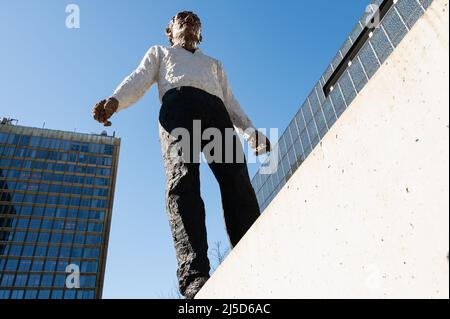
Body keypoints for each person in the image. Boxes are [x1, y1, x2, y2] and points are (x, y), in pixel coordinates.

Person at [92, 11, 271, 299]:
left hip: (215, 111)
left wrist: (251, 133)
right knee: (183, 181)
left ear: (200, 33)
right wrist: (115, 100)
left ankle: (255, 250)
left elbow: (230, 101)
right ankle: (194, 274)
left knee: (237, 180)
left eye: (194, 21)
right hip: (177, 107)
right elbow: (139, 78)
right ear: (170, 30)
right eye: (181, 19)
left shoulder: (213, 64)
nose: (188, 22)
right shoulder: (160, 53)